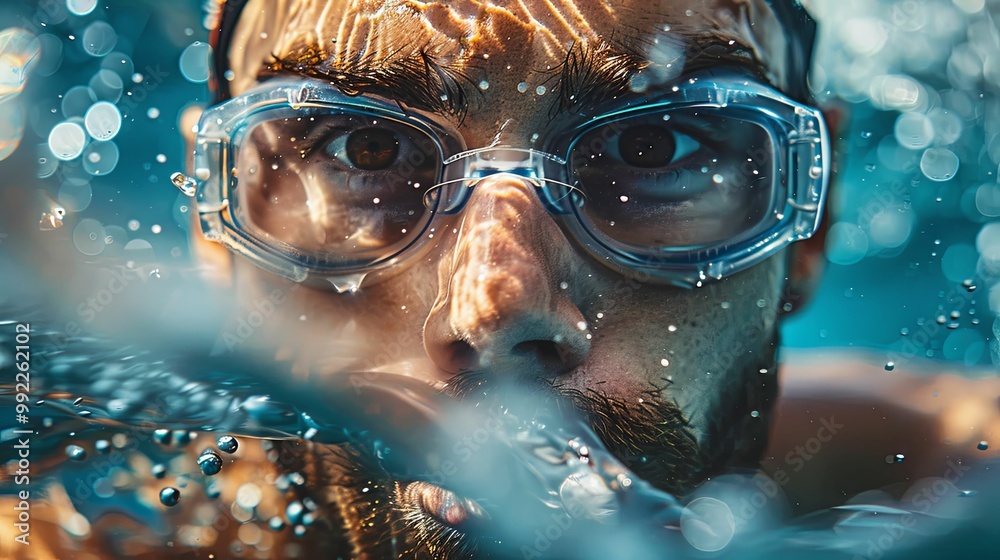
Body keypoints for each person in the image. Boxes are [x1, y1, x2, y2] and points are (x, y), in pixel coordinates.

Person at [168, 0, 834, 557]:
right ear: (211, 219)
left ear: (817, 223)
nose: (492, 310)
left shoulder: (920, 488)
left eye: (651, 147)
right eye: (365, 149)